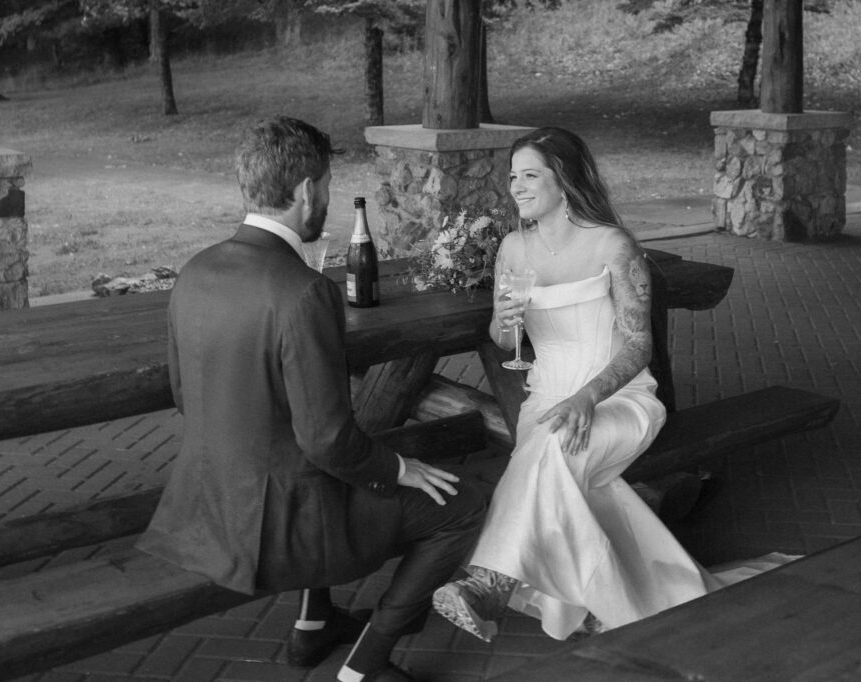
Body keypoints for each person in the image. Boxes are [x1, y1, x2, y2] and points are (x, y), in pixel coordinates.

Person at [136, 116, 487, 681]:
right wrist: (400, 468)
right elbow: (326, 439)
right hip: (283, 527)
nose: (325, 196)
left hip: (205, 505)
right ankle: (366, 666)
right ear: (306, 191)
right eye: (325, 184)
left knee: (339, 456)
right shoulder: (303, 293)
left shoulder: (195, 271)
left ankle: (314, 623)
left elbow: (184, 394)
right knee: (463, 505)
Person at [432, 126, 792, 642]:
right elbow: (502, 335)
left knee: (552, 450)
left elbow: (638, 345)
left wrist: (588, 398)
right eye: (513, 176)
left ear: (565, 179)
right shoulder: (513, 248)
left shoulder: (612, 245)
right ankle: (608, 603)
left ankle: (492, 579)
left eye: (530, 175)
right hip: (546, 396)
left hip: (619, 398)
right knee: (559, 462)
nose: (516, 186)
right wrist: (506, 322)